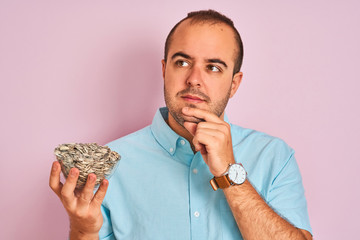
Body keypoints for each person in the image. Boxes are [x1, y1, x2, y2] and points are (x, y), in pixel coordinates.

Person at [50, 9, 313, 240]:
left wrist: (230, 174)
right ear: (165, 70)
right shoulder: (110, 165)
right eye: (183, 62)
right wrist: (83, 231)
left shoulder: (275, 157)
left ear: (234, 84)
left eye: (213, 67)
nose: (194, 79)